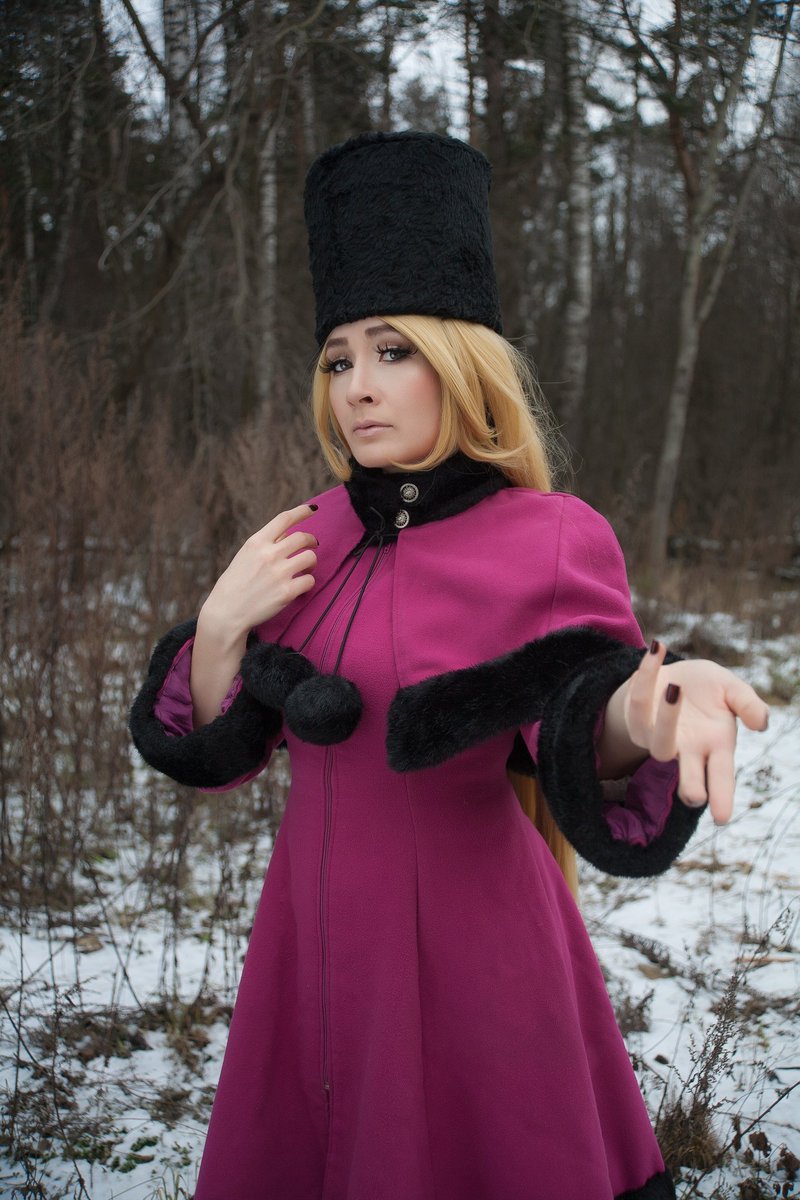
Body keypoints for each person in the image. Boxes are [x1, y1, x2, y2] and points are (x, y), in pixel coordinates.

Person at [129, 131, 769, 1200]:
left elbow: (579, 715)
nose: (357, 388)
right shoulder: (309, 537)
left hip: (474, 961)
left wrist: (655, 706)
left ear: (461, 363)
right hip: (309, 951)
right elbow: (220, 756)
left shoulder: (549, 535)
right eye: (339, 360)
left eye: (393, 352)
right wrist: (221, 626)